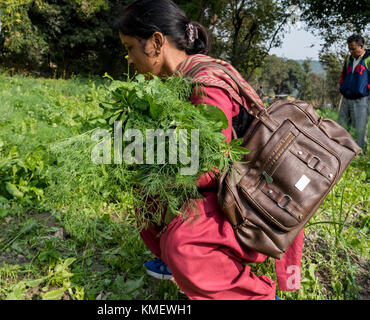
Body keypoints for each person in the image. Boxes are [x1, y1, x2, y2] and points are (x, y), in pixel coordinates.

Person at [114, 0, 304, 300]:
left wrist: (158, 169)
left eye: (130, 48)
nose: (128, 58)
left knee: (182, 241)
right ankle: (177, 264)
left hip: (257, 207)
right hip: (232, 189)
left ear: (156, 42)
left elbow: (210, 167)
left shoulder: (205, 85)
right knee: (147, 190)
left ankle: (250, 293)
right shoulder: (178, 79)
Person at [339, 34, 369, 154]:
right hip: (346, 98)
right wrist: (342, 87)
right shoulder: (349, 59)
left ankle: (361, 153)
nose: (350, 51)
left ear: (361, 46)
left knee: (360, 129)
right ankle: (342, 152)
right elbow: (344, 75)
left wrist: (367, 88)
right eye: (349, 48)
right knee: (341, 126)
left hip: (361, 99)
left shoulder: (368, 58)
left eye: (353, 48)